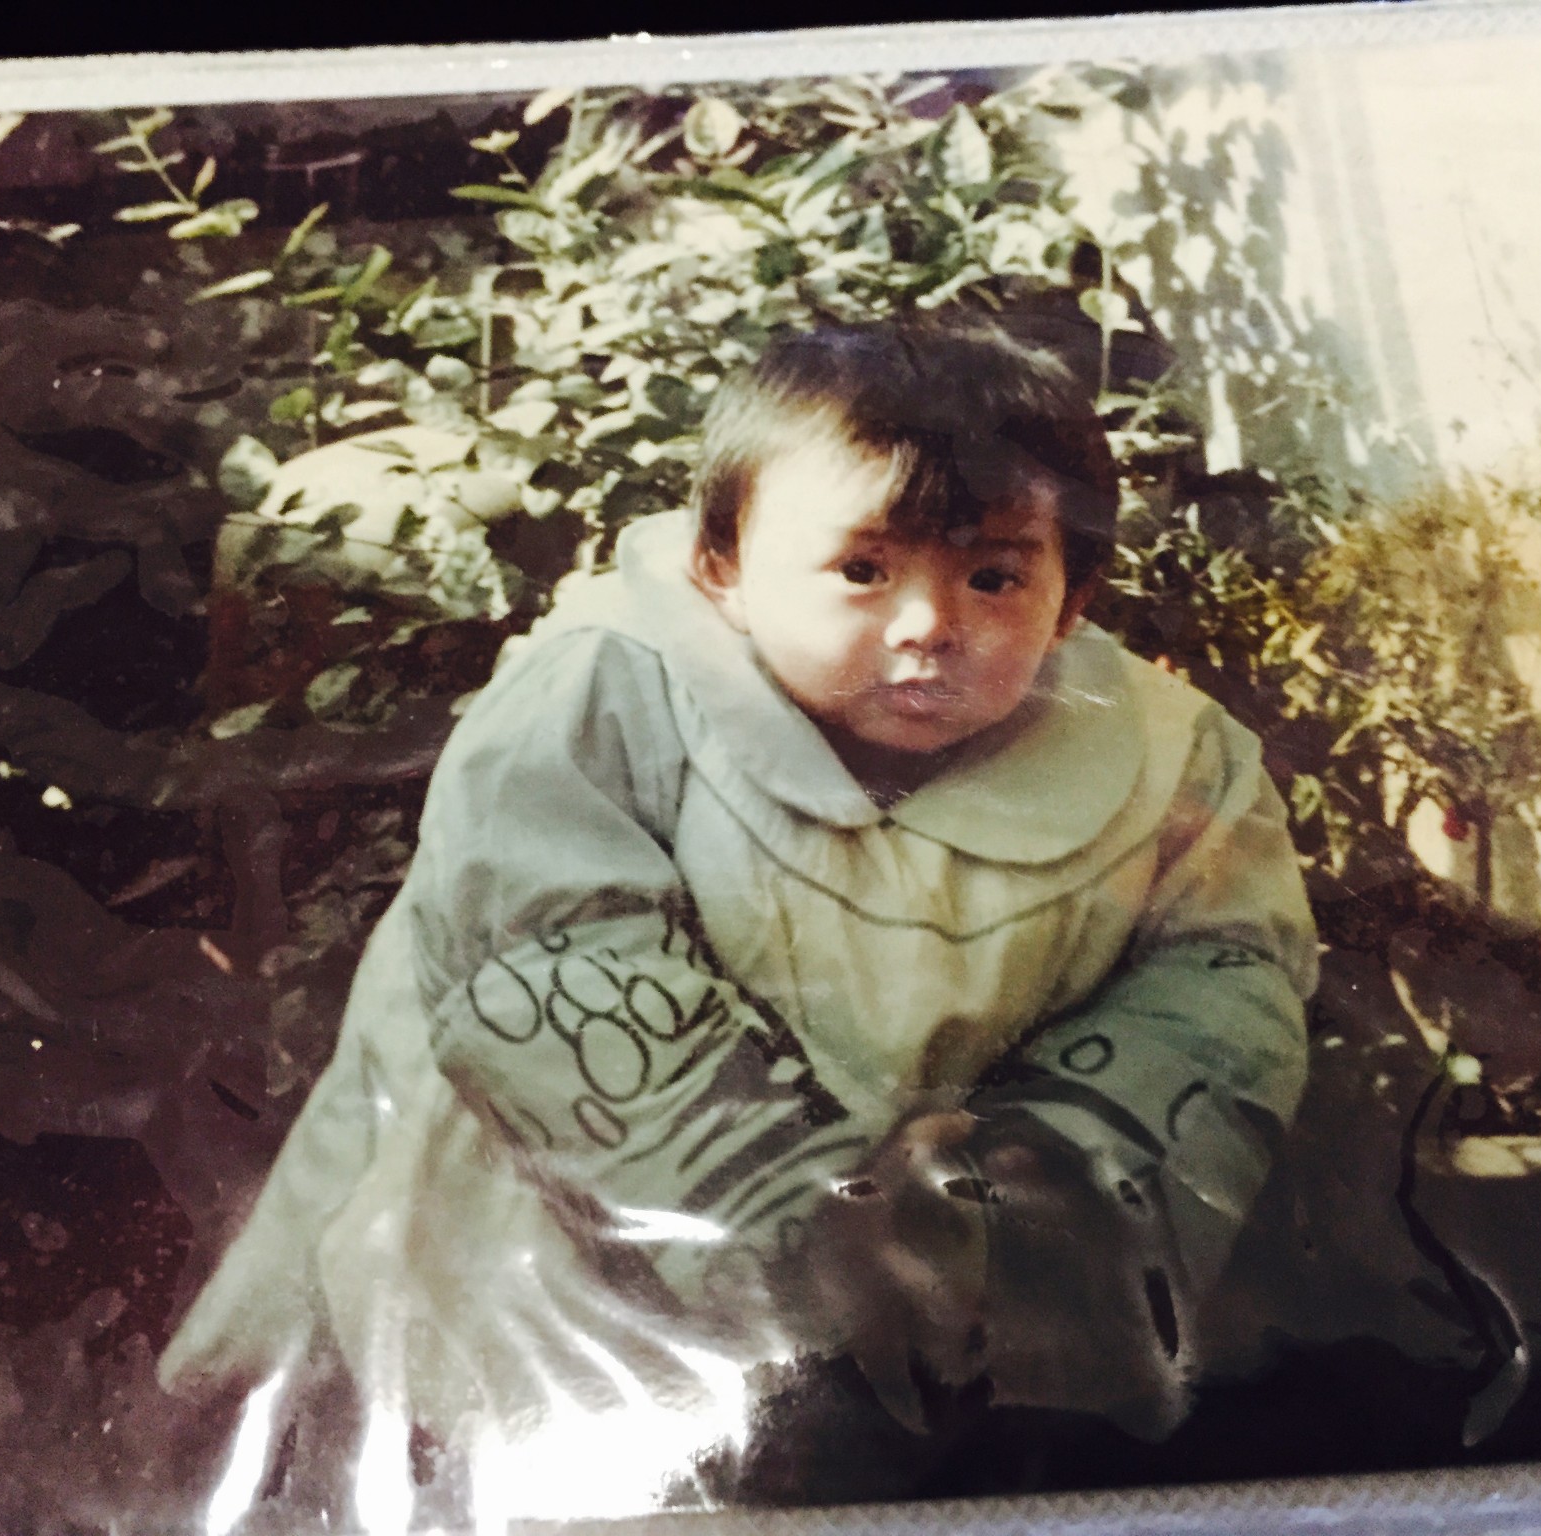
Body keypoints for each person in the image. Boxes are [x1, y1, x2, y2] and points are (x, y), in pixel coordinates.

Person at [158, 313, 1318, 1515]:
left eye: (992, 576)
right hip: (570, 1265)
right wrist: (807, 1232)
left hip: (961, 1294)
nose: (926, 624)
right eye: (862, 570)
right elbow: (547, 956)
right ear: (722, 567)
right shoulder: (607, 693)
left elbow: (1221, 983)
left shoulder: (1172, 765)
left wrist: (1032, 1197)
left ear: (1071, 599)